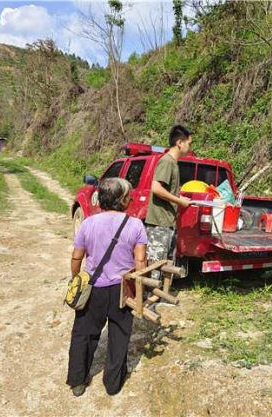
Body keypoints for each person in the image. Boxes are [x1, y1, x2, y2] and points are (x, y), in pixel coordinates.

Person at [67, 178, 147, 397]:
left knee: (84, 334)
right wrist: (139, 291)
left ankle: (78, 381)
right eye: (129, 195)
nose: (130, 199)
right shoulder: (136, 225)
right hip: (124, 289)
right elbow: (140, 263)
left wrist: (76, 279)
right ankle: (113, 384)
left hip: (93, 289)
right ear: (122, 200)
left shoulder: (88, 223)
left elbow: (77, 257)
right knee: (119, 336)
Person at [145, 125, 192, 280]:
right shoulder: (166, 162)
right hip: (159, 223)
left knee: (167, 263)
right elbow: (156, 188)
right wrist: (180, 201)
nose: (189, 147)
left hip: (168, 223)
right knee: (155, 264)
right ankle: (149, 300)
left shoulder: (173, 163)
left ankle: (163, 298)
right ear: (180, 142)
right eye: (188, 143)